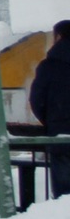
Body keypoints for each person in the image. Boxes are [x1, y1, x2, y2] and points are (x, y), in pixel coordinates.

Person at [27, 19, 70, 200]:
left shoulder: (48, 67)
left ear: (58, 36)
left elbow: (37, 100)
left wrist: (51, 121)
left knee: (64, 193)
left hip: (60, 133)